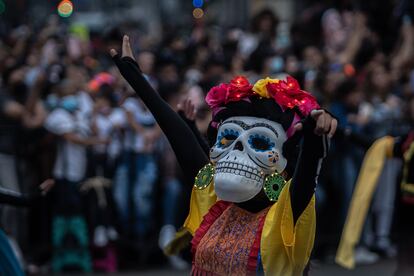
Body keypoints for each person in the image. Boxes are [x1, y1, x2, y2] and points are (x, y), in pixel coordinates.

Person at [111, 35, 337, 275]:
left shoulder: (286, 213)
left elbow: (310, 164)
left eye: (259, 141)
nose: (238, 149)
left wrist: (315, 134)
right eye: (228, 137)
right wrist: (136, 78)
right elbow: (178, 138)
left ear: (282, 162)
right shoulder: (215, 200)